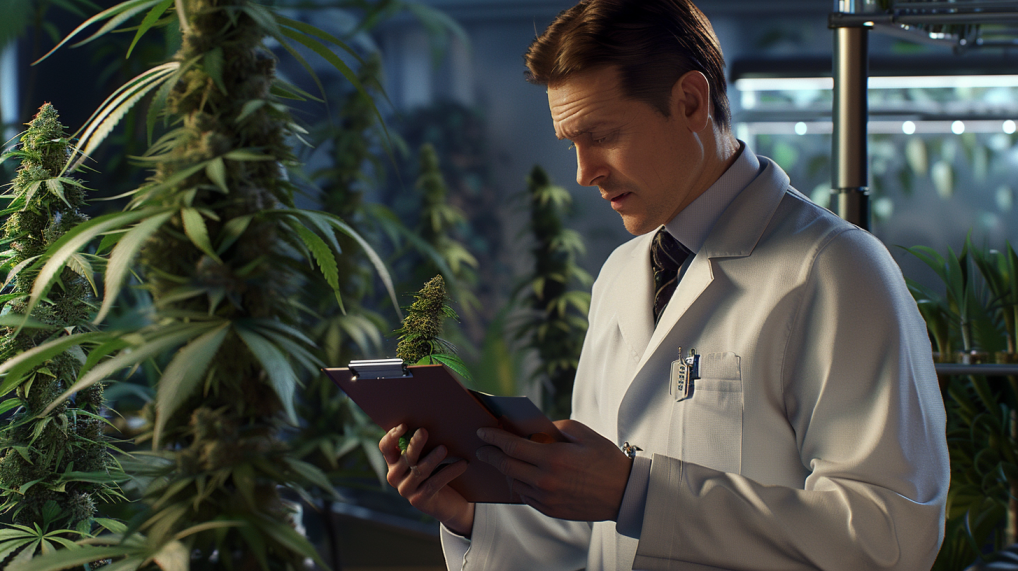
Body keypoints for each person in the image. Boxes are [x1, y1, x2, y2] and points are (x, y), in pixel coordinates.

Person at [378, 0, 950, 569]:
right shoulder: (621, 276)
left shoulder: (836, 270)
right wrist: (471, 513)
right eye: (571, 143)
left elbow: (891, 536)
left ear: (690, 102)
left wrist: (640, 493)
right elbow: (598, 531)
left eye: (601, 134)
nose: (583, 173)